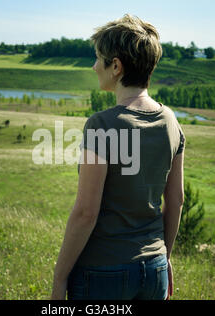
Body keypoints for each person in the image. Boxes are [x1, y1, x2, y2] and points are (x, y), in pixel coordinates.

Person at [51, 14, 186, 300]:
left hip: (103, 272)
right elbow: (175, 200)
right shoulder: (171, 121)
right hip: (155, 268)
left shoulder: (102, 124)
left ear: (116, 66)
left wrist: (59, 277)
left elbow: (86, 213)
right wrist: (165, 256)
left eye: (99, 58)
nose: (93, 66)